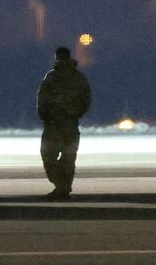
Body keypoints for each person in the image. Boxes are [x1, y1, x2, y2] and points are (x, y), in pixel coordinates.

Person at [37, 46, 91, 199]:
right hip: (71, 123)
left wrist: (45, 116)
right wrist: (76, 113)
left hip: (53, 124)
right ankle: (64, 186)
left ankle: (61, 186)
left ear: (57, 58)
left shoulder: (51, 77)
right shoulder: (79, 78)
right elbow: (86, 100)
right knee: (69, 157)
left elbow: (42, 99)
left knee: (48, 155)